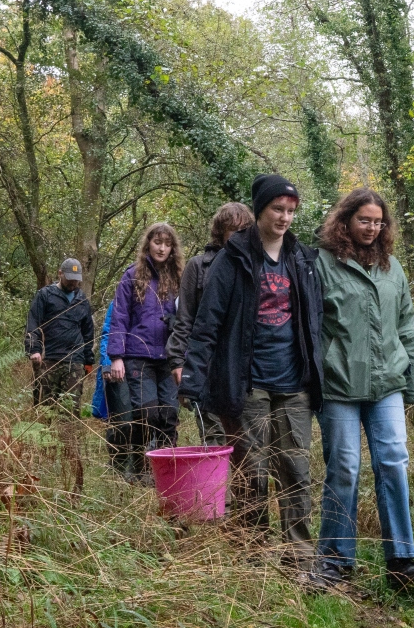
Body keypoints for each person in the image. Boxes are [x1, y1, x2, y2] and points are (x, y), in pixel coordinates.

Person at [180, 174, 324, 552]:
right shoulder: (234, 258)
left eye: (291, 210)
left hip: (294, 384)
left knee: (295, 470)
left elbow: (315, 322)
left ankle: (300, 558)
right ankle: (254, 555)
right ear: (260, 209)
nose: (285, 217)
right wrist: (193, 379)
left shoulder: (302, 258)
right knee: (252, 473)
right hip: (248, 384)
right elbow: (207, 322)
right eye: (278, 209)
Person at [309, 189, 414, 590]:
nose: (372, 228)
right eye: (364, 220)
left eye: (378, 222)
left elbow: (407, 325)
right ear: (345, 221)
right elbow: (309, 328)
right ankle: (335, 560)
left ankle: (402, 559)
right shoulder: (322, 264)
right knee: (344, 468)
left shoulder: (392, 267)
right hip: (339, 384)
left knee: (394, 462)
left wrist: (413, 384)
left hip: (387, 383)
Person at [169, 202, 255, 446]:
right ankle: (215, 485)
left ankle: (241, 485)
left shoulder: (255, 266)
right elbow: (184, 318)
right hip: (208, 365)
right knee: (214, 435)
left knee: (246, 439)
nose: (238, 237)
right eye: (232, 230)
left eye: (244, 230)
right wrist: (178, 362)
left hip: (245, 368)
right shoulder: (198, 266)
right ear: (221, 232)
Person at [107, 223, 183, 478]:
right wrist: (116, 357)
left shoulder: (180, 277)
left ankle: (166, 472)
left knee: (169, 415)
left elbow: (188, 316)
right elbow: (118, 317)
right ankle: (138, 468)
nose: (162, 248)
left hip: (170, 358)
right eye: (157, 242)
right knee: (147, 414)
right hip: (138, 357)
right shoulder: (132, 276)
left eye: (167, 243)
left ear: (172, 248)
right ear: (148, 244)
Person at [25, 257, 96, 411]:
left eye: (76, 280)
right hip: (48, 358)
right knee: (44, 408)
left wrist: (88, 360)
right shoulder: (45, 295)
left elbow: (88, 332)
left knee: (70, 410)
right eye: (70, 279)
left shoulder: (82, 300)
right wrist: (34, 349)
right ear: (60, 274)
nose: (73, 283)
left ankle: (68, 436)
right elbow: (33, 323)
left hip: (74, 361)